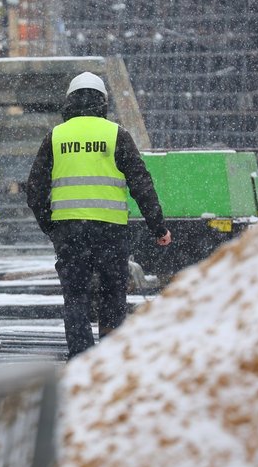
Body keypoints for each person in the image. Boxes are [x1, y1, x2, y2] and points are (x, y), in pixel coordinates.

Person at [25, 72, 172, 358]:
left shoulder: (55, 137)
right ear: (102, 102)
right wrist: (158, 226)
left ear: (70, 101)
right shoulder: (116, 135)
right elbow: (141, 183)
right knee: (113, 294)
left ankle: (81, 356)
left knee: (75, 295)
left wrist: (51, 226)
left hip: (69, 232)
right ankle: (109, 356)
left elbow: (35, 190)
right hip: (110, 231)